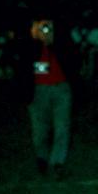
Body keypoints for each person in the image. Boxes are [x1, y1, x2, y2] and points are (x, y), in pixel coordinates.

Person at [17, 18, 79, 179]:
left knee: (62, 127)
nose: (45, 30)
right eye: (40, 27)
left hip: (61, 88)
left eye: (48, 27)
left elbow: (73, 62)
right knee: (40, 130)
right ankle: (42, 158)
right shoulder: (29, 46)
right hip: (38, 90)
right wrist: (36, 42)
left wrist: (52, 43)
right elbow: (26, 67)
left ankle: (57, 162)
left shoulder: (62, 43)